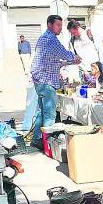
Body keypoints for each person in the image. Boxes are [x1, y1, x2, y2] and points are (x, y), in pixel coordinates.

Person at [30, 15, 81, 149]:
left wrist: (71, 61)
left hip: (40, 79)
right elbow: (63, 53)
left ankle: (37, 139)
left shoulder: (44, 38)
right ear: (49, 25)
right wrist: (75, 57)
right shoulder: (50, 39)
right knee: (50, 114)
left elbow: (55, 60)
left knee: (42, 112)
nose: (60, 28)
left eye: (61, 25)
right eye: (58, 25)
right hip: (46, 80)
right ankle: (47, 143)